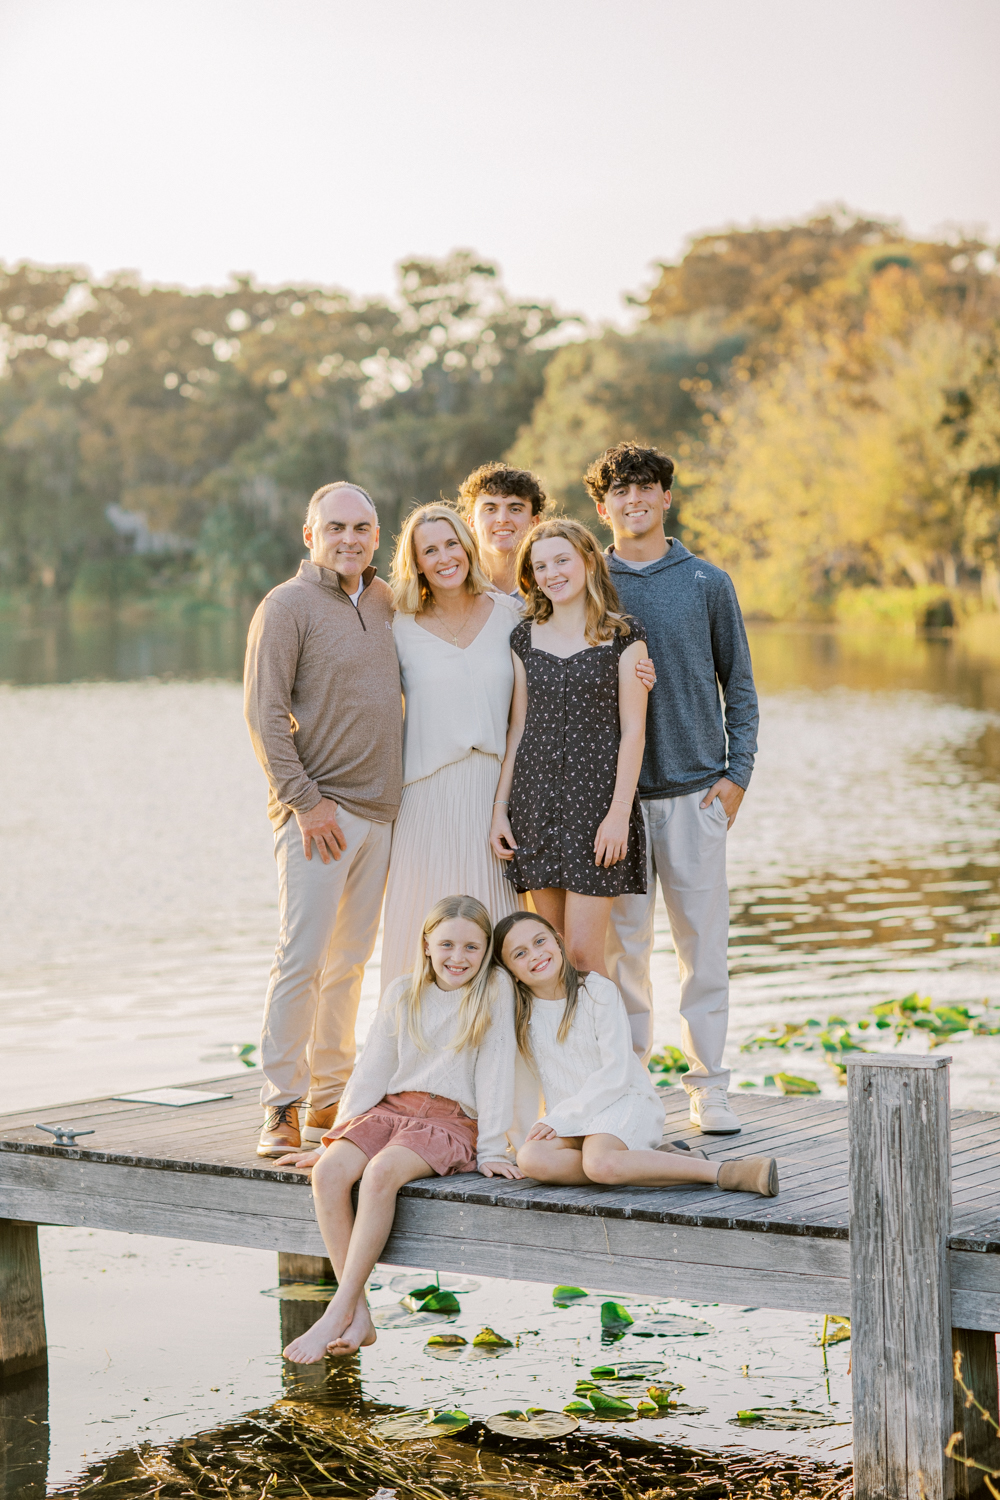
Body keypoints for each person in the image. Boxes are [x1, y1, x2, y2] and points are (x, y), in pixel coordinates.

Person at [586, 441, 759, 1137]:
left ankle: (709, 1087)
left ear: (665, 497)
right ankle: (633, 1087)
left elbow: (739, 686)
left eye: (645, 489)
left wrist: (736, 777)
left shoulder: (707, 583)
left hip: (694, 795)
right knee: (625, 955)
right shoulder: (586, 581)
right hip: (616, 805)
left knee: (702, 950)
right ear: (603, 507)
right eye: (619, 493)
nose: (633, 501)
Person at [275, 896, 522, 1362]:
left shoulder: (492, 989)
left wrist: (491, 1149)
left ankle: (337, 1311)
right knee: (328, 1173)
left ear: (487, 950)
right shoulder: (402, 991)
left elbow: (496, 1070)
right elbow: (372, 1068)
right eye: (446, 943)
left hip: (449, 1121)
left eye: (472, 947)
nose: (458, 957)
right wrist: (335, 1139)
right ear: (426, 943)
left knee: (382, 1172)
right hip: (389, 1110)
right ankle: (360, 1312)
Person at [244, 482, 403, 1158]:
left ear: (375, 535)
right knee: (302, 959)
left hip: (382, 812)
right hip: (319, 816)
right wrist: (306, 803)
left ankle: (329, 1097)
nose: (350, 539)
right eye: (335, 527)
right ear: (311, 536)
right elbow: (263, 716)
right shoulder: (286, 606)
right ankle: (279, 1103)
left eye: (362, 528)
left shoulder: (389, 601)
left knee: (350, 964)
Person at [494, 911, 778, 1197]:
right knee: (532, 1159)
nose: (535, 954)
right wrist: (523, 1141)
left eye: (540, 941)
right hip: (573, 1120)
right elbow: (524, 1088)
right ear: (511, 973)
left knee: (600, 1163)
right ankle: (656, 1162)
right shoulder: (521, 1015)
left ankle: (727, 1172)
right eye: (520, 953)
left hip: (623, 1100)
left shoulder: (596, 991)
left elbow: (616, 1073)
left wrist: (561, 1118)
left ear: (558, 942)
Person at [490, 518, 649, 976]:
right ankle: (558, 1051)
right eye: (540, 566)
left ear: (588, 561)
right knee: (550, 958)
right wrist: (501, 809)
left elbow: (634, 731)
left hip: (596, 810)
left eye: (562, 560)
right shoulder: (523, 636)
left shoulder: (623, 636)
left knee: (582, 957)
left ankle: (606, 1050)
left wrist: (619, 814)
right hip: (535, 808)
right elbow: (517, 729)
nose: (551, 573)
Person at [379, 504, 524, 991]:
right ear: (415, 562)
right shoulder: (398, 626)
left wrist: (631, 665)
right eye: (429, 550)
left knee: (494, 929)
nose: (444, 557)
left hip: (493, 795)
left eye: (451, 544)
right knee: (420, 931)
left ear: (468, 546)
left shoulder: (511, 614)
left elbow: (565, 658)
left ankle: (496, 1053)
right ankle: (413, 1054)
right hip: (424, 798)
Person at [457, 461, 547, 596]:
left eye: (515, 509)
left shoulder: (552, 585)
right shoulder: (455, 588)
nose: (503, 519)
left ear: (534, 523)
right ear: (471, 522)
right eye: (490, 509)